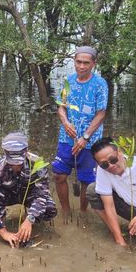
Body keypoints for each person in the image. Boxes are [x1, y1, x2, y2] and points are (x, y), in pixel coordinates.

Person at [52, 46, 108, 216]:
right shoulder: (68, 81)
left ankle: (83, 212)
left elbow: (101, 113)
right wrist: (65, 121)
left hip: (90, 141)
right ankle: (67, 212)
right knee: (59, 175)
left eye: (86, 63)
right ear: (74, 61)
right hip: (66, 138)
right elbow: (61, 107)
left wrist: (85, 137)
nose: (81, 66)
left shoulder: (100, 84)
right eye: (78, 62)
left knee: (86, 181)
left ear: (93, 64)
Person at [0, 132, 58, 247]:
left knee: (50, 209)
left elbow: (41, 195)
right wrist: (4, 233)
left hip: (29, 196)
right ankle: (2, 225)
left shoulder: (38, 165)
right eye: (12, 163)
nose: (16, 166)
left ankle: (27, 222)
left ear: (26, 151)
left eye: (19, 162)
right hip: (7, 197)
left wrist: (30, 219)